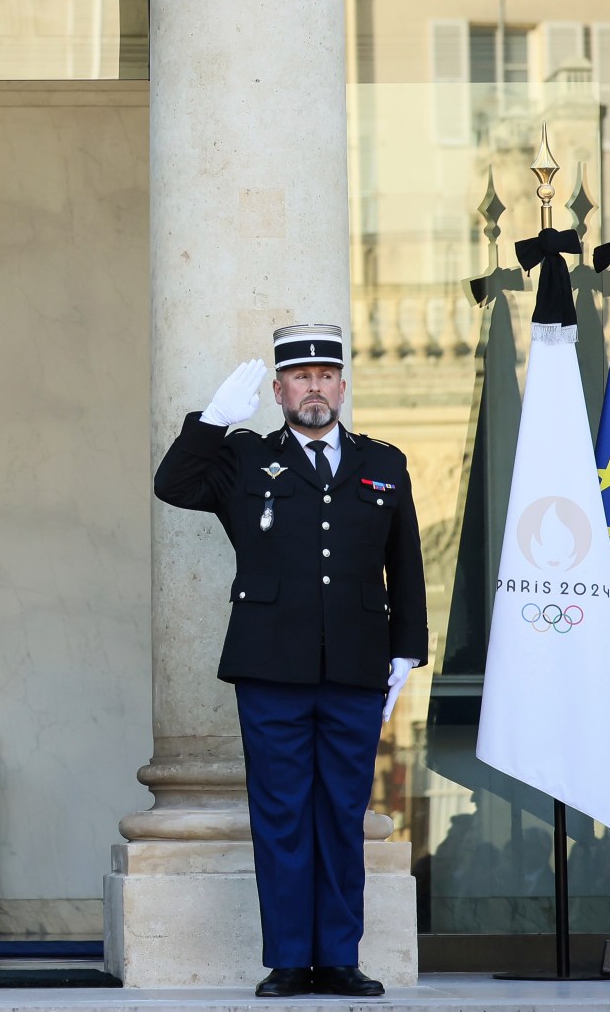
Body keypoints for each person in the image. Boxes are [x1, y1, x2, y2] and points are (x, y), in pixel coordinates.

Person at [153, 324, 426, 999]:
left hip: (358, 667)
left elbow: (406, 564)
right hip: (270, 666)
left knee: (341, 813)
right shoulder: (243, 460)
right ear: (278, 391)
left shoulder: (383, 463)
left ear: (342, 385)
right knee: (280, 815)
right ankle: (287, 960)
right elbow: (173, 484)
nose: (314, 387)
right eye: (300, 377)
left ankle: (338, 957)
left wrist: (407, 650)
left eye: (326, 375)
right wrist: (211, 422)